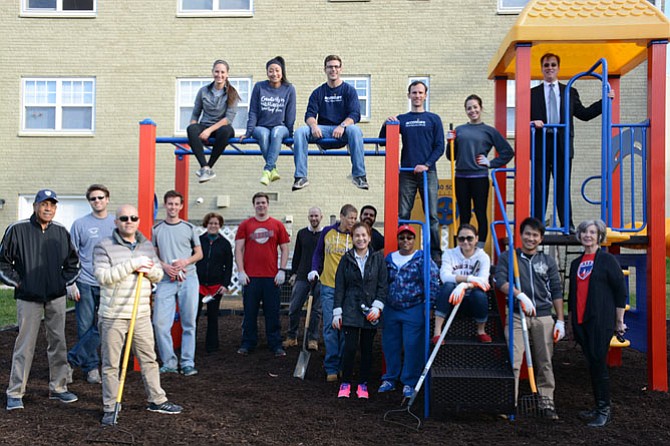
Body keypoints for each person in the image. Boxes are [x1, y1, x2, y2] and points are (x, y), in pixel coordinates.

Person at [94, 205, 183, 426]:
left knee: (149, 359)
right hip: (113, 314)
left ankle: (157, 400)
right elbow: (103, 277)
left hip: (141, 314)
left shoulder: (146, 245)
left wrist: (148, 269)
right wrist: (133, 264)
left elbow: (158, 274)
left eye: (133, 217)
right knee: (111, 364)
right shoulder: (104, 246)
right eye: (124, 218)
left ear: (138, 220)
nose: (129, 221)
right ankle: (110, 406)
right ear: (116, 221)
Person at [0, 189, 80, 410]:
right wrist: (19, 282)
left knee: (58, 343)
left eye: (52, 205)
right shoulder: (17, 229)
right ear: (35, 206)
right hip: (28, 297)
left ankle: (59, 388)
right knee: (25, 344)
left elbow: (74, 262)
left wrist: (61, 282)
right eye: (44, 204)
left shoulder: (61, 232)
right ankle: (15, 392)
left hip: (56, 296)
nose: (48, 208)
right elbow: (3, 262)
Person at [531, 53, 610, 231]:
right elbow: (523, 119)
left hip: (561, 145)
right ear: (541, 69)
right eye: (546, 65)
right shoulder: (532, 94)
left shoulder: (569, 91)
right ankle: (537, 224)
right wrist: (532, 122)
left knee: (562, 184)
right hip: (541, 144)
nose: (549, 68)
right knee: (539, 186)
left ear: (558, 68)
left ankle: (567, 223)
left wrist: (605, 101)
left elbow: (585, 114)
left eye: (552, 65)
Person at [495, 217, 563, 420]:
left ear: (541, 238)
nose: (530, 238)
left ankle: (546, 403)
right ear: (521, 235)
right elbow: (501, 281)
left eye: (535, 235)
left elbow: (557, 290)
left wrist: (560, 319)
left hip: (543, 317)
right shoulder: (509, 257)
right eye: (527, 234)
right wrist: (520, 295)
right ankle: (509, 403)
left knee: (545, 362)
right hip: (517, 315)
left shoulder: (547, 261)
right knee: (514, 360)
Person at [568, 219, 626, 427]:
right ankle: (597, 406)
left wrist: (619, 321)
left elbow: (621, 292)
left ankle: (604, 410)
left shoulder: (608, 260)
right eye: (584, 232)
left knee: (599, 363)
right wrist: (572, 321)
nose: (588, 235)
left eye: (592, 232)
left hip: (600, 322)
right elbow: (574, 294)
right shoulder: (576, 263)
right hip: (581, 322)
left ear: (599, 236)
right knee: (592, 363)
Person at [380, 81, 444, 261]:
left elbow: (440, 146)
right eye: (414, 93)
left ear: (425, 95)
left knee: (431, 214)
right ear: (409, 95)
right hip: (407, 173)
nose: (417, 96)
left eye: (420, 93)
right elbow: (381, 141)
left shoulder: (433, 119)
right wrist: (386, 125)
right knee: (403, 214)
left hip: (428, 172)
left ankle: (436, 254)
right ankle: (400, 250)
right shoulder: (403, 119)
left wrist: (427, 164)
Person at [291, 55, 368, 191]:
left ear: (341, 69)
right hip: (323, 131)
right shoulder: (318, 92)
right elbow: (309, 115)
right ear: (325, 69)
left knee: (355, 130)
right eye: (330, 67)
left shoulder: (349, 91)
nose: (333, 69)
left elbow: (355, 114)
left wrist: (342, 125)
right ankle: (300, 177)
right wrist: (314, 126)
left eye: (336, 67)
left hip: (344, 131)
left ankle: (359, 176)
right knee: (300, 132)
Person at [447, 94, 514, 247]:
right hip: (461, 177)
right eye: (469, 108)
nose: (472, 111)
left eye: (475, 107)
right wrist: (449, 142)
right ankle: (463, 246)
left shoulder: (489, 131)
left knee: (480, 213)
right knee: (464, 214)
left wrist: (490, 163)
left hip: (479, 177)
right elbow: (451, 157)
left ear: (481, 108)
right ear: (466, 110)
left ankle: (480, 247)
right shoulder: (460, 130)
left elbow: (507, 152)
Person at [381, 225, 439, 399]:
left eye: (409, 237)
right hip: (391, 308)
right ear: (398, 240)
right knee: (390, 345)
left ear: (415, 240)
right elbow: (383, 281)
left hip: (413, 308)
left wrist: (430, 306)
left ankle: (409, 381)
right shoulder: (389, 258)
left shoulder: (422, 259)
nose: (406, 241)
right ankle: (390, 378)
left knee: (413, 345)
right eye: (402, 237)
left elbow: (433, 281)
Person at [67, 184, 116, 385]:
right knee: (84, 326)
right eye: (93, 198)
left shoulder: (117, 222)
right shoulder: (79, 224)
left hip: (110, 283)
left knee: (104, 325)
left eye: (100, 197)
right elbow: (70, 256)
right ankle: (91, 368)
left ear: (107, 199)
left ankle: (70, 361)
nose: (97, 201)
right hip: (85, 282)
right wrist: (70, 283)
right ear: (89, 201)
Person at [333, 222, 387, 399]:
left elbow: (382, 285)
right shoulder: (346, 259)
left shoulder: (378, 259)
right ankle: (346, 383)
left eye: (364, 235)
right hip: (350, 310)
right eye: (357, 235)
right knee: (349, 349)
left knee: (367, 350)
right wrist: (337, 312)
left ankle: (363, 384)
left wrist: (378, 306)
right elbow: (340, 286)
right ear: (352, 238)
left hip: (370, 311)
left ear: (369, 237)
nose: (361, 239)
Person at [152, 190, 203, 376]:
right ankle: (169, 362)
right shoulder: (156, 230)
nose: (173, 207)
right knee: (160, 323)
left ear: (181, 206)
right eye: (170, 204)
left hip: (188, 278)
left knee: (189, 322)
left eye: (176, 204)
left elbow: (199, 254)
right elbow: (153, 254)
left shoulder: (189, 228)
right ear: (165, 205)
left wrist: (185, 262)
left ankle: (188, 362)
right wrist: (164, 266)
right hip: (166, 280)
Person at [235, 192, 290, 357]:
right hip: (251, 278)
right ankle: (248, 343)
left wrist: (282, 269)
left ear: (268, 205)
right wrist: (240, 271)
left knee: (272, 312)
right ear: (254, 205)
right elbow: (238, 249)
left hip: (271, 278)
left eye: (263, 202)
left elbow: (285, 248)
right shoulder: (245, 225)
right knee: (250, 312)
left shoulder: (277, 225)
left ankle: (275, 344)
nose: (261, 205)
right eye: (258, 203)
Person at [310, 204, 357, 382]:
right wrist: (314, 269)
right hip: (328, 286)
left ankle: (344, 366)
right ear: (342, 217)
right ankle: (331, 367)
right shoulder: (327, 232)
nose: (353, 221)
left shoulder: (355, 236)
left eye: (355, 218)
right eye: (350, 217)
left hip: (348, 289)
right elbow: (318, 253)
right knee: (330, 327)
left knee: (344, 327)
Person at [240, 56, 296, 186]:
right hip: (261, 127)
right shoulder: (259, 87)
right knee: (264, 135)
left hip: (281, 127)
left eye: (277, 70)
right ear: (267, 72)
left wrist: (290, 134)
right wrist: (248, 132)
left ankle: (267, 169)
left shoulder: (289, 89)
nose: (274, 74)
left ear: (282, 72)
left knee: (276, 133)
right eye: (271, 71)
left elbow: (290, 114)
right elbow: (253, 111)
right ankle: (272, 169)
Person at [434, 224, 491, 344]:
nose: (465, 242)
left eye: (469, 238)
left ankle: (481, 330)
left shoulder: (483, 257)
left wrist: (465, 285)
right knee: (448, 286)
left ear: (476, 239)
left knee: (479, 294)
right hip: (452, 299)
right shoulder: (449, 254)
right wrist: (469, 278)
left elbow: (484, 281)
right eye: (461, 239)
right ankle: (437, 332)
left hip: (472, 300)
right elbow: (445, 276)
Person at [187, 59, 240, 183]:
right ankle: (204, 167)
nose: (219, 75)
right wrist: (193, 135)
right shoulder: (203, 91)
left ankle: (208, 167)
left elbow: (228, 119)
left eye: (222, 72)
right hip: (205, 125)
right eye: (217, 71)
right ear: (212, 73)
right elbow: (195, 114)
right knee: (191, 129)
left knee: (226, 131)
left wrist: (208, 131)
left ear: (227, 74)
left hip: (222, 129)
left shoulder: (232, 93)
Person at [283, 207, 323, 351]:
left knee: (316, 311)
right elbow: (297, 255)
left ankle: (313, 339)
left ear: (321, 217)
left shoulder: (325, 235)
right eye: (311, 216)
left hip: (319, 277)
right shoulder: (302, 233)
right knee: (294, 307)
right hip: (302, 276)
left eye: (316, 216)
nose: (314, 218)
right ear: (308, 217)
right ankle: (292, 337)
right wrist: (294, 273)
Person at [196, 212, 233, 353]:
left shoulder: (225, 244)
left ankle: (212, 347)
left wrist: (225, 284)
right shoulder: (199, 241)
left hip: (215, 287)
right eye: (211, 223)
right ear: (206, 224)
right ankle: (190, 345)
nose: (213, 226)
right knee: (193, 316)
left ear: (220, 226)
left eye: (216, 223)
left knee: (213, 316)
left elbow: (228, 266)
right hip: (198, 286)